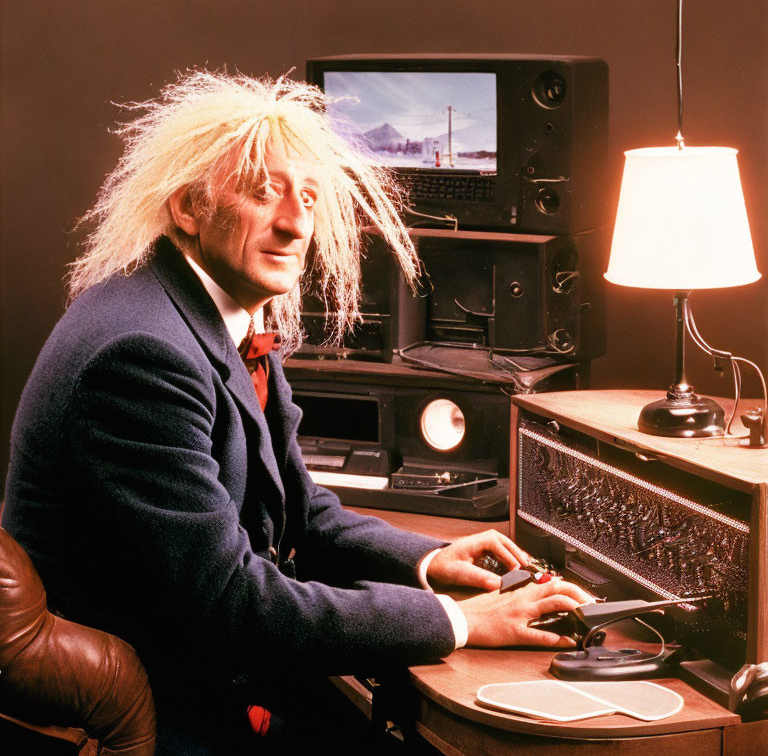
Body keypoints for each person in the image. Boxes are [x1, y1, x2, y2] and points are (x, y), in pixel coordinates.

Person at [2, 70, 591, 754]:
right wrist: (460, 622)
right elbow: (231, 603)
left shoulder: (214, 310)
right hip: (168, 709)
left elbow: (302, 516)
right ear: (189, 208)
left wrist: (434, 561)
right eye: (263, 194)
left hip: (214, 673)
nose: (295, 224)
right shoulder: (140, 354)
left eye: (308, 198)